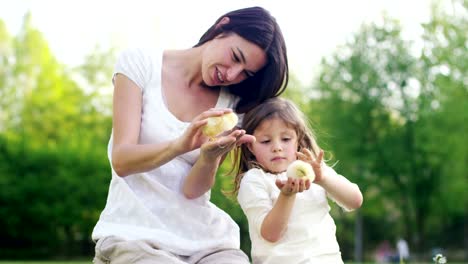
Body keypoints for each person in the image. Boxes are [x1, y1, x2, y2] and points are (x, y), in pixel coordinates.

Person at [91, 6, 289, 264]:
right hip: (133, 235)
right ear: (222, 27)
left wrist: (208, 158)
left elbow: (192, 191)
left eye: (245, 73)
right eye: (235, 56)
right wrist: (179, 145)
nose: (231, 74)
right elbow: (122, 160)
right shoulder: (140, 64)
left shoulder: (232, 106)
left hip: (206, 242)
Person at [232, 98, 363, 263]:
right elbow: (271, 234)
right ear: (251, 146)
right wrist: (286, 195)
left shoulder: (313, 170)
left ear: (298, 139)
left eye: (286, 139)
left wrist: (323, 178)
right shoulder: (254, 180)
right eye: (266, 141)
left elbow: (355, 201)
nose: (277, 147)